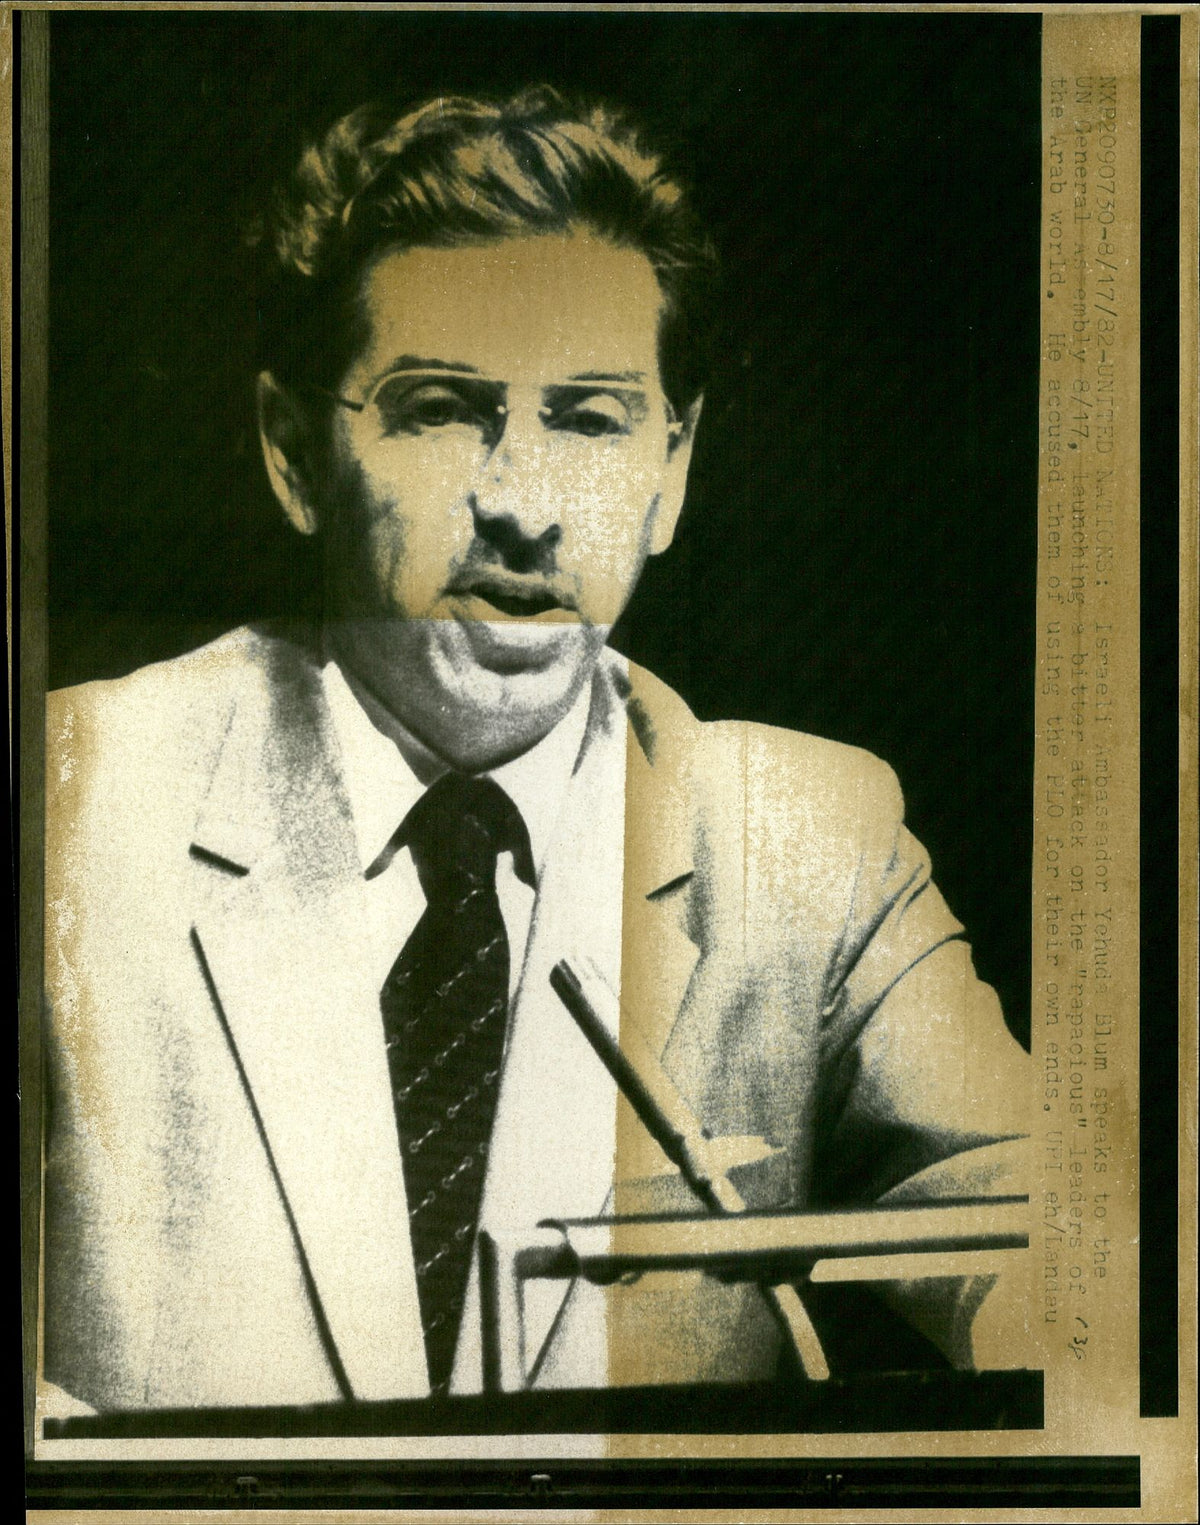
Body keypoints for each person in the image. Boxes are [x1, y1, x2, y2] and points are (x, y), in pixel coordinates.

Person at [41, 86, 1030, 1415]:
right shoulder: (71, 804)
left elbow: (1061, 1243)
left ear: (672, 470)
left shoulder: (810, 839)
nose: (524, 506)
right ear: (293, 456)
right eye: (443, 408)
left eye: (590, 418)